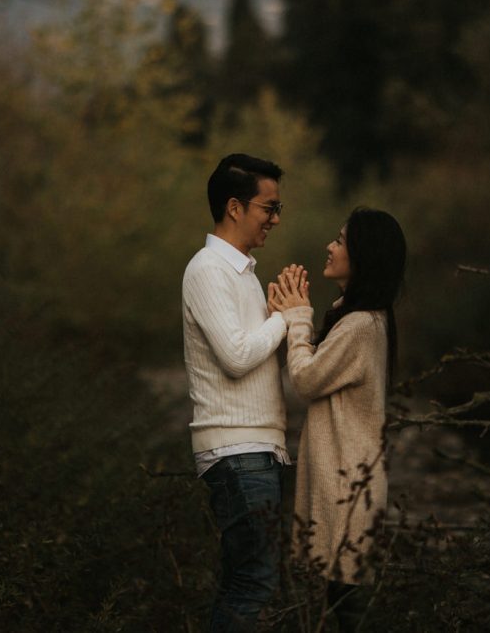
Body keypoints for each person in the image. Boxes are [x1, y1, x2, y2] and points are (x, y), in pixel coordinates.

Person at [268, 207, 406, 632]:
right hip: (349, 481)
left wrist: (297, 319)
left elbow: (306, 379)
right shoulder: (358, 318)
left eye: (341, 240)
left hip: (348, 486)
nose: (330, 247)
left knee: (346, 608)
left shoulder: (361, 325)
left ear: (363, 255)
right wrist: (289, 317)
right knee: (338, 604)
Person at [182, 153, 291, 632]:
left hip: (258, 449)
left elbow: (257, 356)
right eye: (268, 207)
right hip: (236, 451)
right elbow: (237, 357)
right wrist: (287, 318)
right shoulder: (208, 269)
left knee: (257, 581)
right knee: (254, 582)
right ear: (234, 207)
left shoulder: (243, 273)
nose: (275, 218)